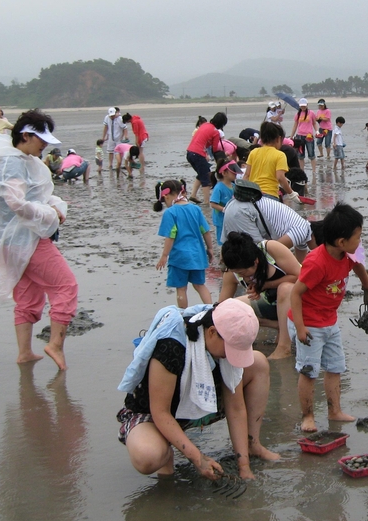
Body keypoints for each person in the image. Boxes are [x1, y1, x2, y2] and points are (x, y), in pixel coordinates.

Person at [116, 299, 280, 480]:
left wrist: (244, 466)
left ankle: (252, 444)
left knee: (258, 363)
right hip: (154, 414)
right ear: (211, 332)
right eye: (230, 349)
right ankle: (164, 449)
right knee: (148, 457)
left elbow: (236, 407)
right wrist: (198, 458)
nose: (230, 356)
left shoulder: (222, 336)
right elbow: (160, 412)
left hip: (197, 403)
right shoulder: (171, 346)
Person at [0, 109, 77, 370]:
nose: (44, 144)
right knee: (65, 286)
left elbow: (33, 196)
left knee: (29, 296)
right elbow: (16, 203)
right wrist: (50, 213)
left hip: (8, 242)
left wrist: (53, 206)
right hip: (25, 240)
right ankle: (55, 344)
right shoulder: (15, 162)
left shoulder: (12, 159)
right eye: (41, 139)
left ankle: (24, 353)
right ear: (25, 135)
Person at [288, 204, 368, 432]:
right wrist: (300, 328)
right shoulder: (316, 262)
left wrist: (367, 283)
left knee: (335, 367)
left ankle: (334, 410)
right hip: (309, 323)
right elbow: (295, 293)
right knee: (309, 371)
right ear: (341, 242)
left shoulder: (348, 253)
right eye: (358, 236)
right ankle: (307, 416)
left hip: (329, 321)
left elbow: (357, 266)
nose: (360, 240)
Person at [219, 231, 302, 360]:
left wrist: (265, 285)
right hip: (273, 304)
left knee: (285, 288)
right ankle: (279, 325)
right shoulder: (232, 273)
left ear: (256, 261)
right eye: (237, 272)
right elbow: (220, 306)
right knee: (229, 308)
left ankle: (284, 347)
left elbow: (299, 276)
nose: (242, 276)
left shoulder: (271, 249)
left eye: (243, 272)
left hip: (302, 302)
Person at [153, 179, 214, 308]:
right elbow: (206, 231)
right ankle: (211, 310)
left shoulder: (170, 212)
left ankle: (183, 317)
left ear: (166, 195)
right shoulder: (195, 209)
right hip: (197, 255)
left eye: (165, 201)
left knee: (181, 289)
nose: (166, 204)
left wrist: (164, 256)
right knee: (199, 285)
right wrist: (210, 249)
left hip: (179, 258)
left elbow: (171, 236)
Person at [222, 184, 315, 260]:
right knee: (254, 254)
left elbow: (300, 266)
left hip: (236, 206)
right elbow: (273, 250)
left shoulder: (303, 232)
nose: (317, 251)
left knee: (234, 251)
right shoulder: (302, 230)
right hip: (242, 211)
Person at [244, 122, 296, 200]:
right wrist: (291, 193)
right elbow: (280, 177)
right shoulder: (280, 155)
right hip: (270, 195)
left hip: (253, 195)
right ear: (278, 139)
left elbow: (246, 176)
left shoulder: (253, 152)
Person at [186, 112, 229, 204]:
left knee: (202, 173)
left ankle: (193, 195)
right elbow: (214, 149)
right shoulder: (215, 132)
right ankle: (207, 202)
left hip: (189, 153)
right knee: (206, 177)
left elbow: (203, 141)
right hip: (198, 154)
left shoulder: (205, 125)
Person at [210, 161, 242, 244]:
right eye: (233, 173)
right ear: (224, 173)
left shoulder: (234, 186)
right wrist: (225, 209)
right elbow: (213, 204)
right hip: (221, 219)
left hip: (232, 218)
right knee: (223, 242)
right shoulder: (219, 187)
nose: (235, 175)